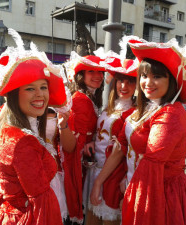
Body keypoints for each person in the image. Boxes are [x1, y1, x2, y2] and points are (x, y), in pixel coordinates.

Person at [91, 35, 186, 225]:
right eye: (145, 76)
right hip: (139, 187)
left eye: (157, 76)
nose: (148, 82)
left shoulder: (171, 113)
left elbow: (152, 163)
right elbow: (121, 146)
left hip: (160, 195)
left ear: (171, 79)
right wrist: (99, 181)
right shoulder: (146, 108)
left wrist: (132, 189)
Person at [0, 28, 68, 225]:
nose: (40, 95)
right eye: (30, 89)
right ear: (14, 96)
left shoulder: (13, 128)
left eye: (43, 87)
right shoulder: (22, 141)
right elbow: (41, 205)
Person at [84, 57, 138, 225]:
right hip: (96, 172)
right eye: (121, 80)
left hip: (113, 176)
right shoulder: (110, 106)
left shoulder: (134, 113)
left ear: (138, 86)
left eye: (130, 82)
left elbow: (119, 151)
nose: (124, 86)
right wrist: (93, 141)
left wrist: (99, 182)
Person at [62, 52, 105, 224]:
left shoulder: (89, 97)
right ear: (81, 76)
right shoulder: (80, 99)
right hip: (79, 164)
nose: (97, 76)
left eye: (100, 72)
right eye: (91, 72)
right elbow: (75, 140)